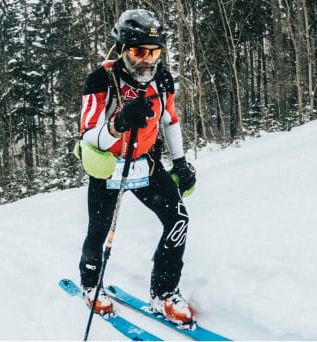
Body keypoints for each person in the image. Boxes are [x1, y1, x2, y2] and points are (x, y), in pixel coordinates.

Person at [77, 9, 197, 328]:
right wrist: (118, 123)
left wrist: (180, 162)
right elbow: (88, 132)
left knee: (178, 220)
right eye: (138, 51)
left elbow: (170, 120)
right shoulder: (101, 79)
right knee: (99, 231)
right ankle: (90, 283)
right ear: (122, 48)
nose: (147, 59)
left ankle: (165, 292)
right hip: (109, 167)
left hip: (146, 164)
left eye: (154, 51)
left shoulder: (162, 79)